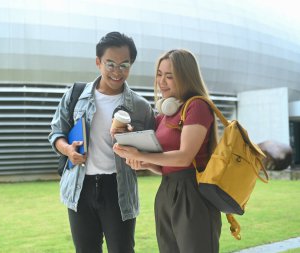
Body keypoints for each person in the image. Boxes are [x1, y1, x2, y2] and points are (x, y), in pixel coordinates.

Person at [48, 32, 155, 253]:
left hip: (118, 189)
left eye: (124, 65)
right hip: (80, 187)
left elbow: (151, 151)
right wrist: (68, 150)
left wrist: (133, 145)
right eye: (111, 64)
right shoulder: (76, 95)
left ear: (131, 65)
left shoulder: (141, 106)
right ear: (98, 62)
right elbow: (56, 133)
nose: (117, 72)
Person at [113, 49, 222, 253]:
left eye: (169, 76)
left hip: (193, 192)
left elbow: (184, 157)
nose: (162, 81)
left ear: (186, 77)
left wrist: (141, 155)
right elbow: (165, 166)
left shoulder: (197, 106)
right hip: (166, 191)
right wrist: (145, 163)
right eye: (159, 74)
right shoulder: (163, 116)